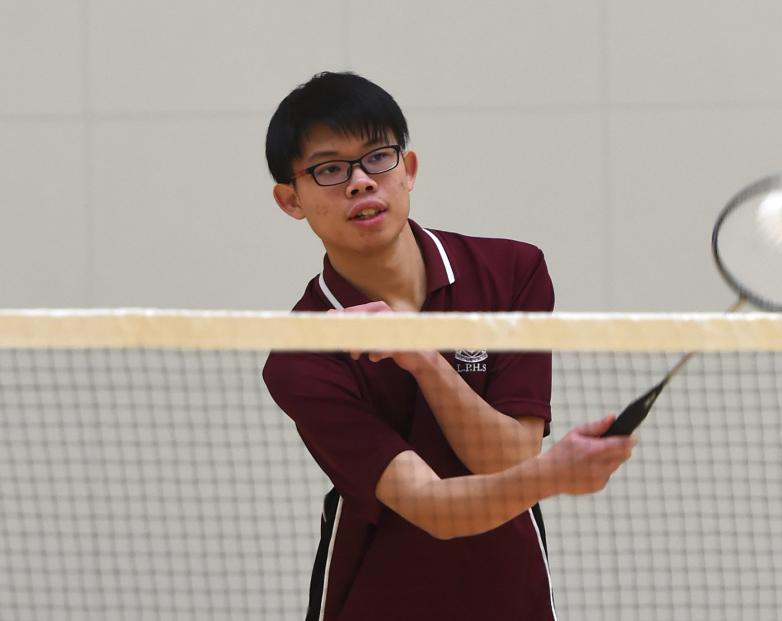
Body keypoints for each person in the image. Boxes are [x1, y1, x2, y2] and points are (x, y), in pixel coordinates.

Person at [262, 71, 636, 621]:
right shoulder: (304, 353)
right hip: (378, 596)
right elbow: (433, 509)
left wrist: (422, 358)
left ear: (408, 170)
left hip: (511, 591)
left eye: (377, 158)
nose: (361, 182)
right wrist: (557, 474)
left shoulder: (510, 274)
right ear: (290, 200)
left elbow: (506, 457)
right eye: (330, 169)